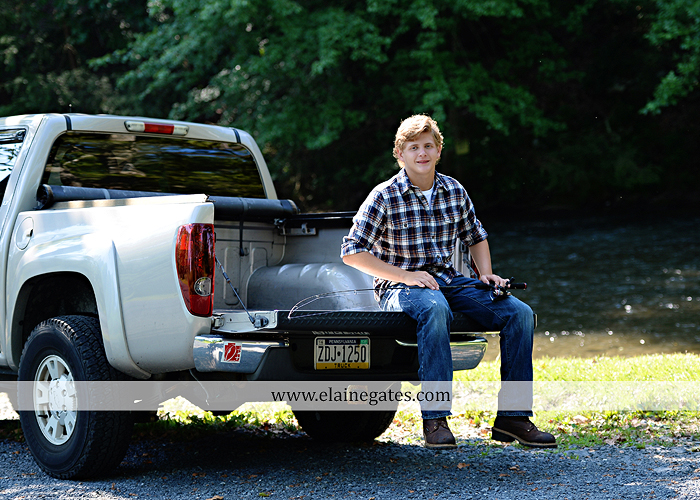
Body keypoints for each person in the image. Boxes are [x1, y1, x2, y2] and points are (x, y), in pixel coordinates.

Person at [340, 114, 556, 449]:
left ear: (439, 150)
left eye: (428, 146)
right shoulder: (384, 196)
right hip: (400, 287)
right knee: (435, 308)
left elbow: (476, 235)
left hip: (450, 281)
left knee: (520, 314)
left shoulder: (453, 190)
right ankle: (435, 419)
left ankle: (513, 417)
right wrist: (406, 276)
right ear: (399, 153)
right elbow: (351, 252)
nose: (421, 153)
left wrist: (485, 273)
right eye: (413, 147)